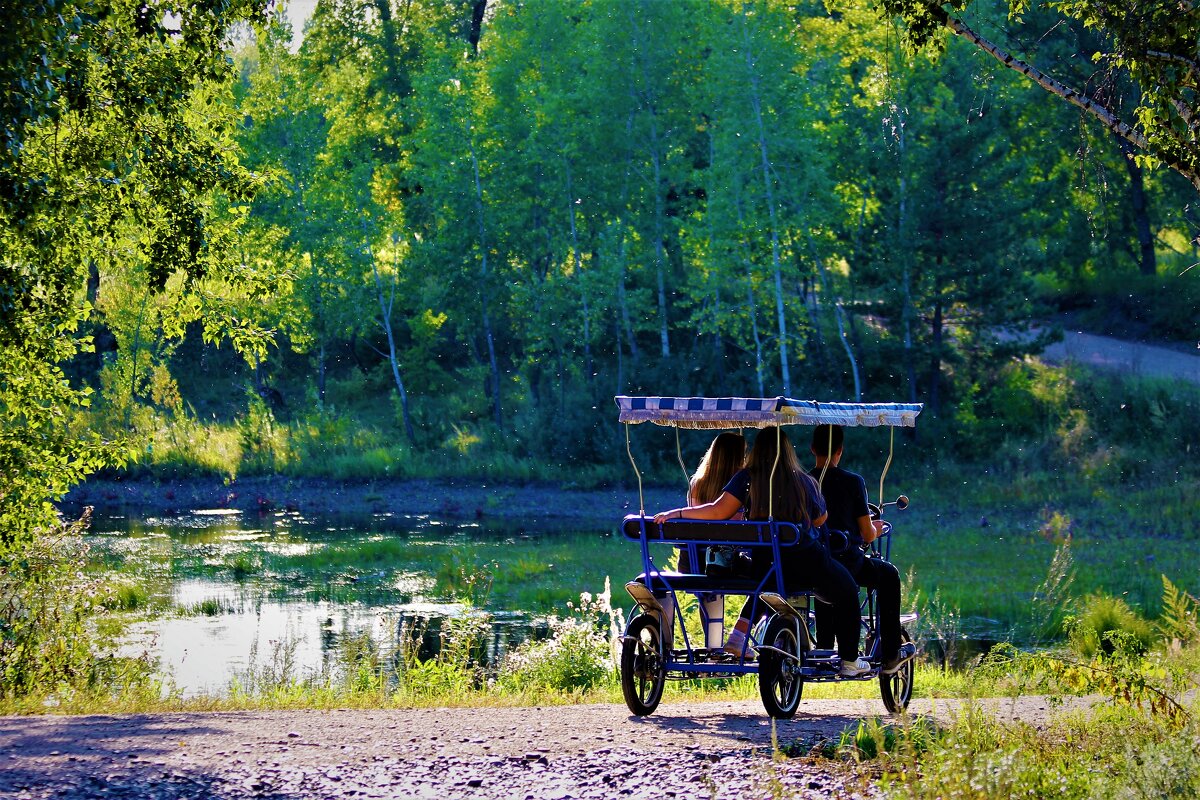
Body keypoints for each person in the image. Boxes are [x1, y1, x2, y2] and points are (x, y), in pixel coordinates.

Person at [654, 426, 871, 677]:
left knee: (765, 581)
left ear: (757, 451)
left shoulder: (747, 478)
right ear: (788, 452)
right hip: (807, 566)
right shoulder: (804, 481)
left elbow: (715, 511)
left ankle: (741, 634)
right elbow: (821, 519)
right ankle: (849, 660)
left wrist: (676, 514)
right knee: (847, 591)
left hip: (765, 567)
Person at [810, 424, 916, 675]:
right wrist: (877, 528)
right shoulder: (852, 482)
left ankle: (825, 644)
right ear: (840, 451)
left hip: (811, 561)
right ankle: (891, 653)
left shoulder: (803, 481)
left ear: (812, 448)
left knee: (825, 573)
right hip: (846, 561)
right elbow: (866, 533)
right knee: (888, 574)